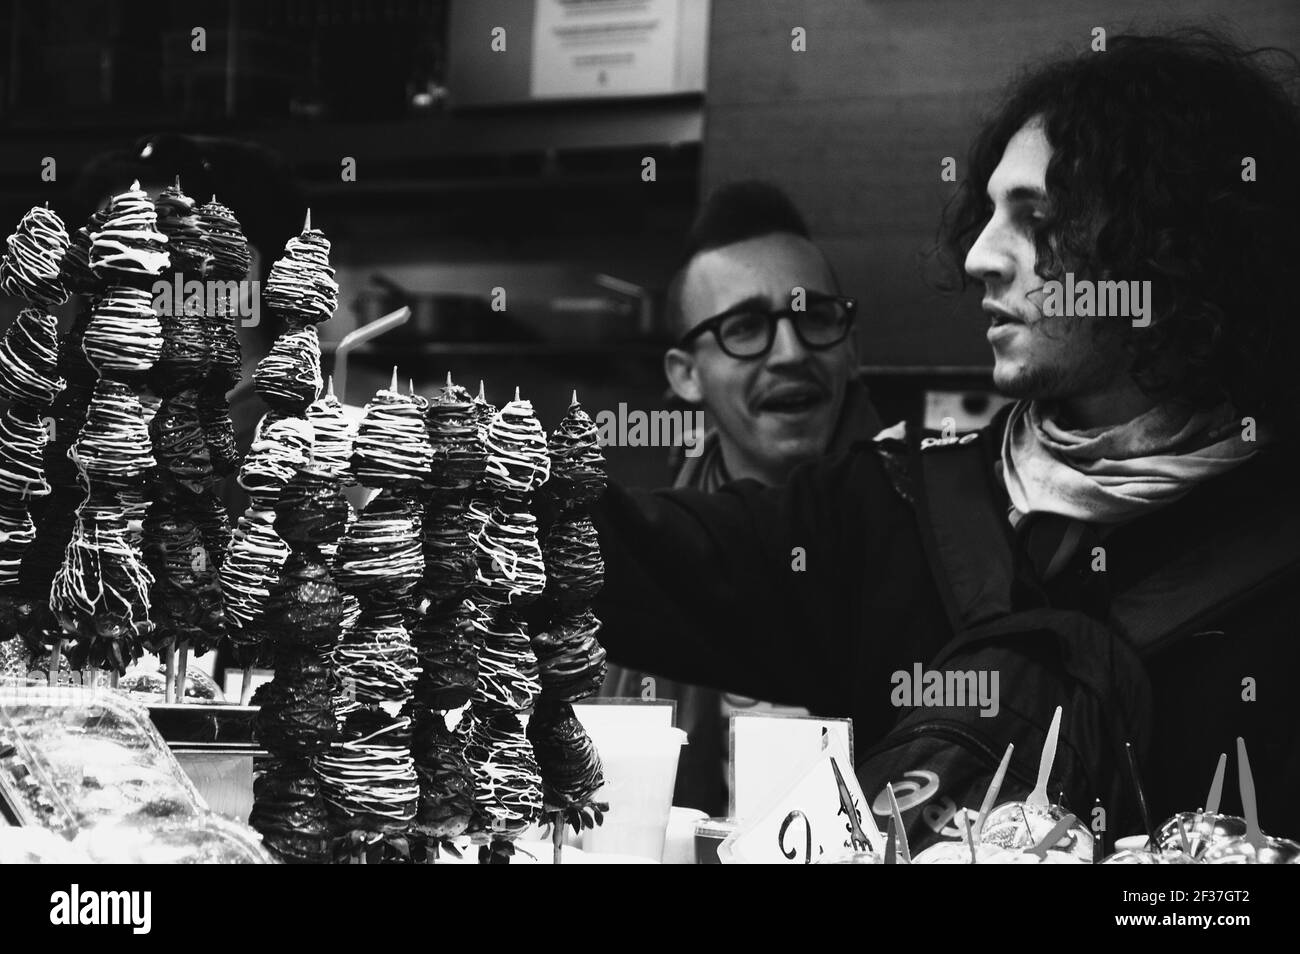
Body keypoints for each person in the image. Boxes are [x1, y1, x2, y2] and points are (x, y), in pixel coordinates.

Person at [585, 31, 1300, 844]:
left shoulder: (1278, 552)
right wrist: (443, 462)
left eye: (1036, 217)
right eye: (988, 213)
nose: (979, 256)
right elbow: (637, 554)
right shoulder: (901, 506)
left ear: (1167, 247)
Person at [602, 182, 882, 817]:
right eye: (745, 328)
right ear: (684, 374)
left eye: (814, 317)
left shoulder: (931, 533)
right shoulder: (655, 552)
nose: (790, 353)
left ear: (852, 348)